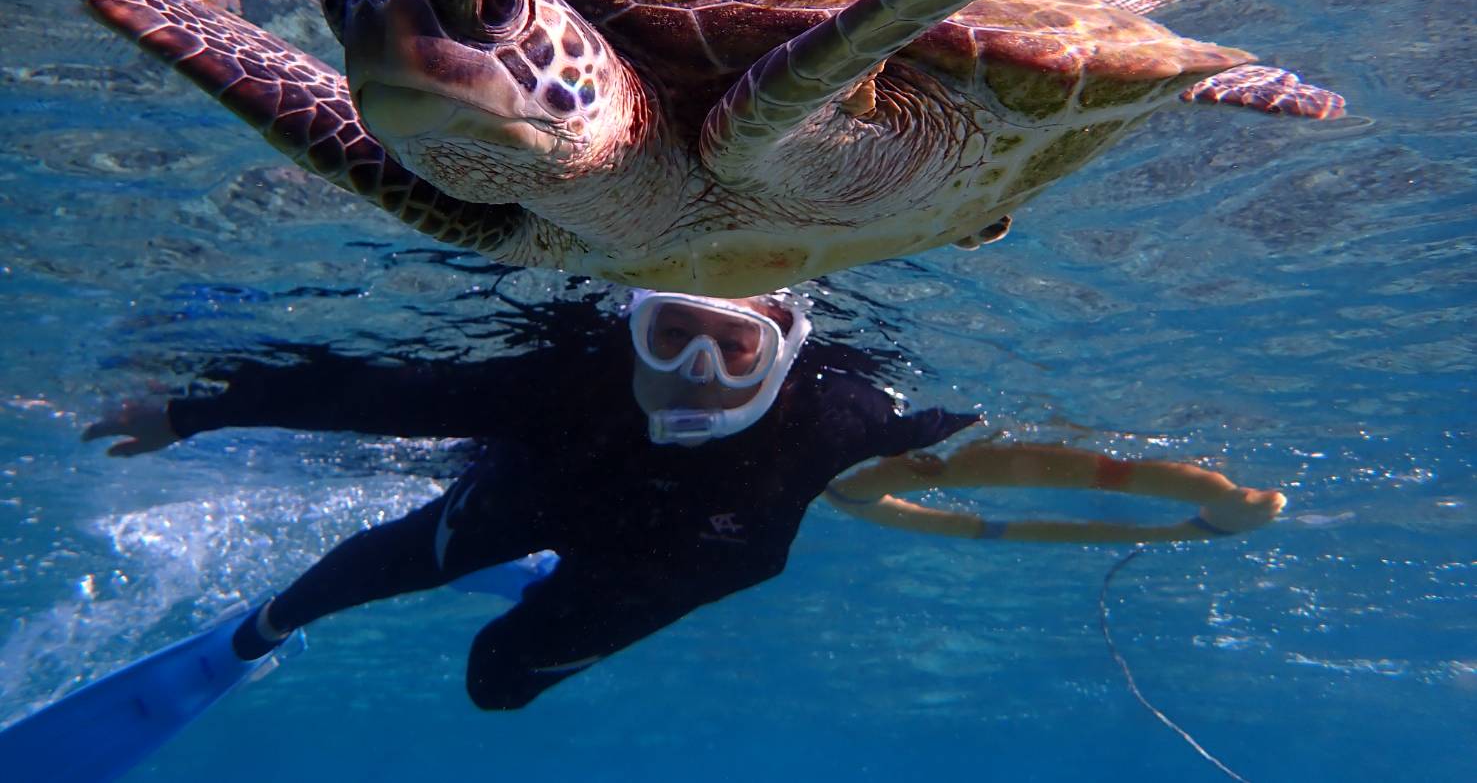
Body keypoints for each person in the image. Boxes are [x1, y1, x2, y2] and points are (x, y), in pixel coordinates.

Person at [79, 290, 1284, 711]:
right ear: (629, 327)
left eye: (736, 351)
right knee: (379, 564)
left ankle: (530, 595)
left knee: (496, 685)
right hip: (536, 491)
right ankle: (253, 636)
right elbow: (381, 392)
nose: (697, 376)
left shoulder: (836, 417)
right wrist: (190, 412)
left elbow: (1014, 463)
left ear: (790, 349)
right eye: (671, 338)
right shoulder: (566, 380)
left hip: (676, 563)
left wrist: (1198, 493)